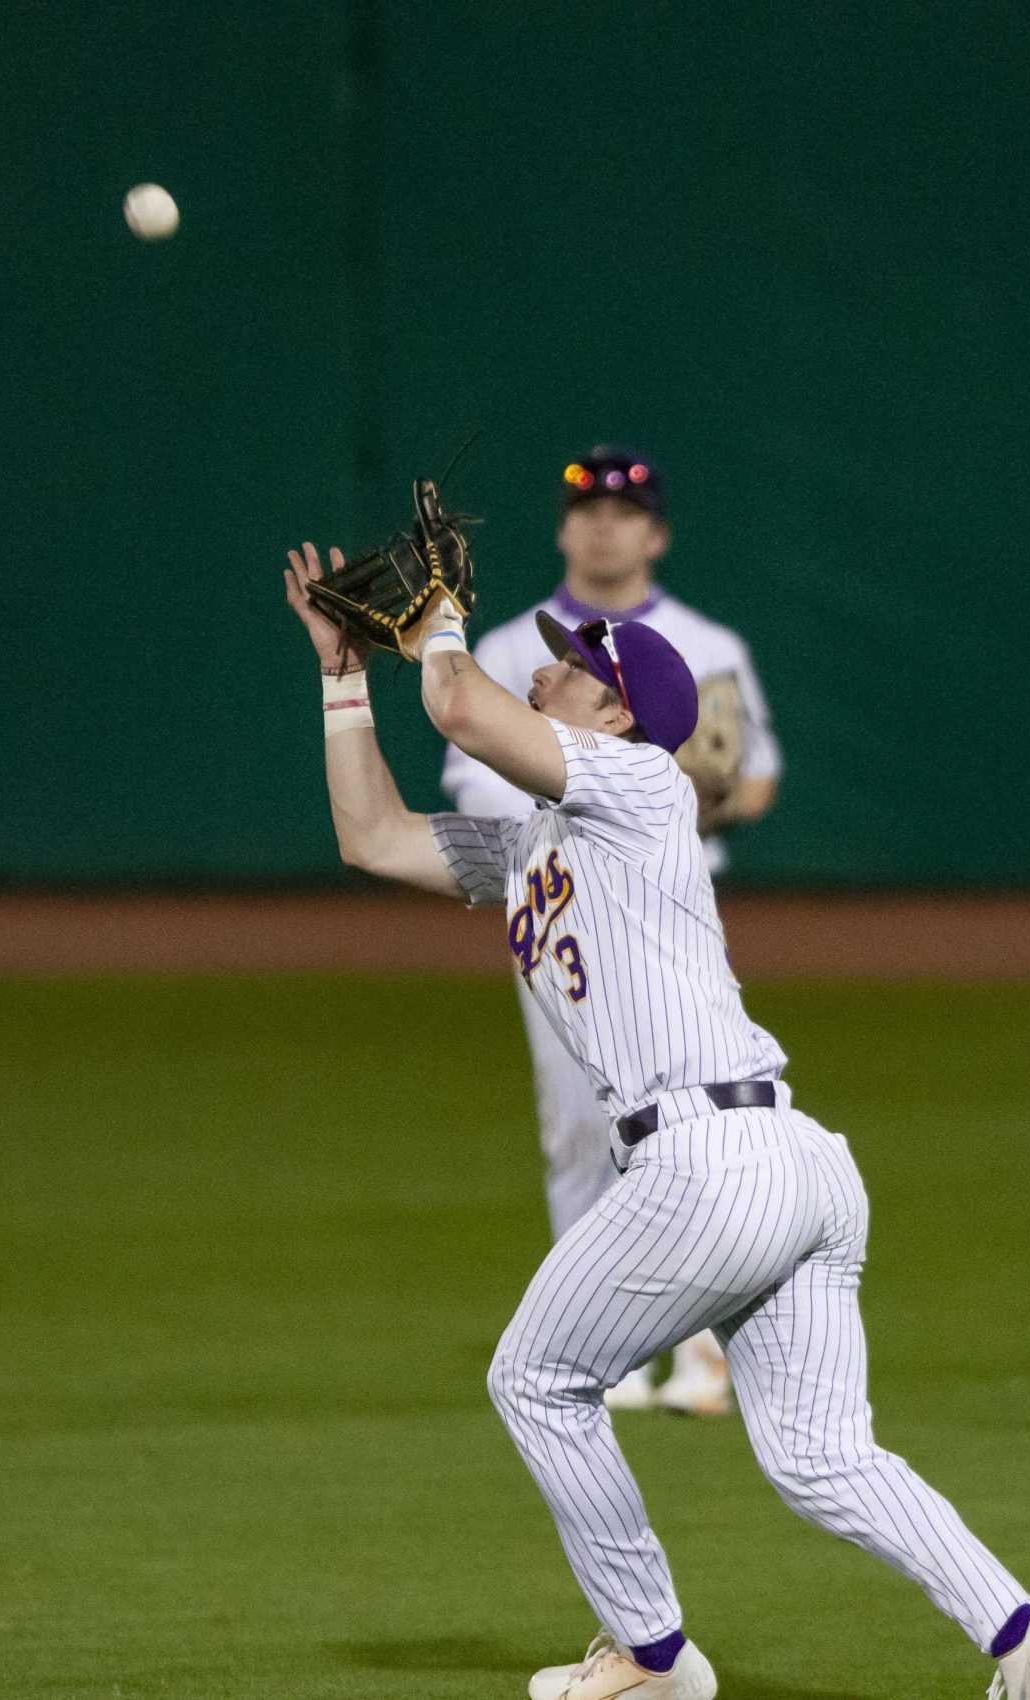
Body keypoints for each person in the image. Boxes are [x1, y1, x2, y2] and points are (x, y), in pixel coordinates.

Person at [279, 539, 1030, 1700]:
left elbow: (460, 703)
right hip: (794, 1164)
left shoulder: (638, 783)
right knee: (824, 1457)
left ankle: (655, 1656)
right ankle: (1025, 1635)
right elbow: (372, 837)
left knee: (535, 1379)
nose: (546, 670)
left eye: (568, 668)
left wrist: (442, 622)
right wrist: (340, 671)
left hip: (706, 1161)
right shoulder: (532, 846)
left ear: (616, 715)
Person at [441, 445, 780, 1417]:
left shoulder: (705, 644)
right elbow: (478, 782)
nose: (604, 524)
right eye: (586, 508)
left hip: (664, 912)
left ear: (656, 531)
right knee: (578, 1129)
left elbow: (751, 775)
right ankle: (608, 1349)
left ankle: (706, 1349)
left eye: (626, 510)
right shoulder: (510, 646)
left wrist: (681, 800)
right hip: (555, 912)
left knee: (680, 1114)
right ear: (562, 527)